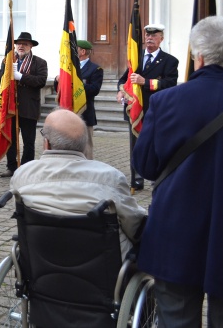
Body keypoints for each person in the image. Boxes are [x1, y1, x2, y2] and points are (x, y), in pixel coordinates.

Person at [133, 16, 223, 326]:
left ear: (200, 57)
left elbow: (146, 166)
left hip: (175, 232)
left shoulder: (166, 101)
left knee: (175, 318)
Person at [11, 108, 146, 260]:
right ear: (84, 145)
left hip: (41, 262)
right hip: (104, 268)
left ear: (46, 144)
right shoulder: (111, 178)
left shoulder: (22, 175)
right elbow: (135, 225)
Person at [116, 23, 178, 190]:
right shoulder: (136, 57)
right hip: (136, 110)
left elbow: (170, 83)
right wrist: (122, 90)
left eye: (154, 35)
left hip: (156, 109)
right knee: (135, 146)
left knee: (156, 145)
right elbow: (124, 79)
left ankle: (156, 178)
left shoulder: (169, 61)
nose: (150, 38)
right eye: (147, 35)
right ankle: (136, 181)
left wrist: (147, 82)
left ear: (161, 39)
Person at [0, 32, 48, 177]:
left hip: (29, 107)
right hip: (11, 107)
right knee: (10, 139)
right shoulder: (8, 60)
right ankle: (11, 167)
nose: (21, 46)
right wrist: (7, 72)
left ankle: (26, 168)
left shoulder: (40, 62)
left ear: (31, 46)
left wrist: (21, 77)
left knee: (28, 141)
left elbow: (40, 81)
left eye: (24, 44)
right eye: (18, 44)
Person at [77, 40, 103, 158]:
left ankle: (87, 170)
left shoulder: (95, 69)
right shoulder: (70, 67)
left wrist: (77, 84)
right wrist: (58, 80)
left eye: (74, 49)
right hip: (70, 112)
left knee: (87, 146)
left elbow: (94, 89)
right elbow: (60, 89)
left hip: (85, 112)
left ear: (82, 51)